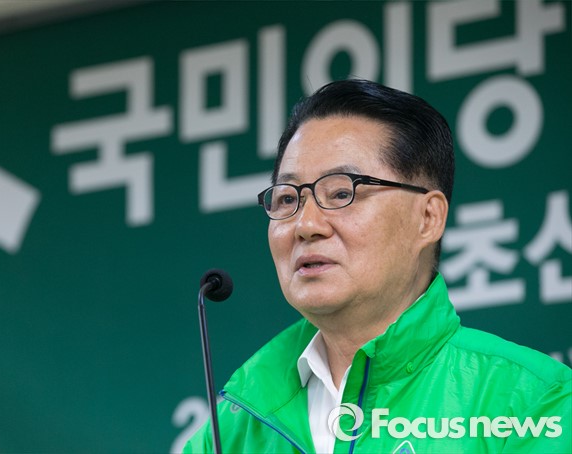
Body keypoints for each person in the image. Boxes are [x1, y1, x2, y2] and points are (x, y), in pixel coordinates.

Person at [183, 79, 571, 453]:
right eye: (287, 199)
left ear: (428, 218)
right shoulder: (227, 432)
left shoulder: (534, 402)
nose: (306, 224)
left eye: (341, 192)